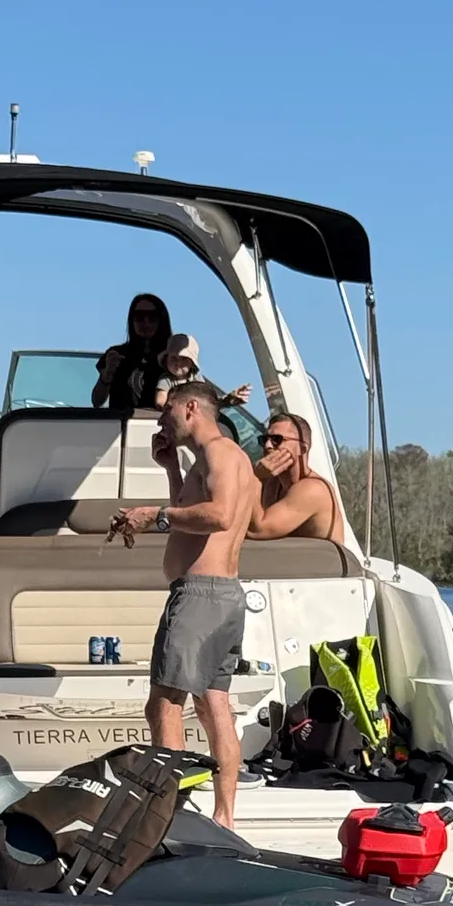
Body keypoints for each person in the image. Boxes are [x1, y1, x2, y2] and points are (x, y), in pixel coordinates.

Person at [107, 382, 257, 827]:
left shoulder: (220, 453)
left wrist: (153, 514)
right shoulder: (216, 460)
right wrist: (171, 469)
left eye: (167, 409)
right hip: (223, 596)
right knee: (215, 707)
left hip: (200, 598)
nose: (161, 419)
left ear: (191, 407)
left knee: (163, 704)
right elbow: (193, 515)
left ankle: (164, 813)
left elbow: (221, 515)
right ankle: (224, 817)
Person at [247, 412, 344, 542]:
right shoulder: (271, 484)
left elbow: (258, 530)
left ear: (302, 449)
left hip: (318, 561)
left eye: (277, 440)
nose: (268, 446)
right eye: (264, 440)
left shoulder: (313, 489)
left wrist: (254, 477)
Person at [91, 292, 172, 416]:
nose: (146, 322)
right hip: (120, 428)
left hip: (160, 426)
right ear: (131, 320)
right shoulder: (116, 355)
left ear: (162, 320)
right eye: (139, 316)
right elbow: (97, 402)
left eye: (152, 316)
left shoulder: (172, 356)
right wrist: (106, 376)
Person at [153, 332, 253, 413]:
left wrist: (226, 400)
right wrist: (175, 409)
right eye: (173, 358)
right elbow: (160, 401)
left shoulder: (196, 378)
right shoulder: (166, 379)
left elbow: (207, 400)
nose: (178, 363)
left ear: (192, 364)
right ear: (166, 360)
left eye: (184, 359)